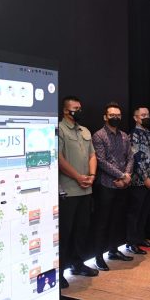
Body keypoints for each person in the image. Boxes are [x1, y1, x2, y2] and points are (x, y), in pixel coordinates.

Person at [58, 96, 99, 289]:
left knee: (82, 230)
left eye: (80, 107)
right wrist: (77, 176)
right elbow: (58, 158)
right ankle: (60, 271)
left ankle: (77, 263)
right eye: (76, 108)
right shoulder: (59, 130)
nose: (79, 111)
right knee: (65, 232)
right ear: (66, 110)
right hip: (68, 190)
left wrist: (91, 175)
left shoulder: (85, 131)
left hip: (86, 189)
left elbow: (92, 155)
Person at [92, 102, 135, 271]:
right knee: (103, 222)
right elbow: (101, 161)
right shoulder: (99, 136)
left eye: (118, 115)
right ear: (105, 117)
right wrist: (122, 176)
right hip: (106, 185)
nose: (115, 117)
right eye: (112, 115)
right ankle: (98, 257)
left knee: (117, 220)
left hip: (123, 185)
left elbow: (130, 157)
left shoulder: (124, 136)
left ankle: (113, 250)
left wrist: (127, 175)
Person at [126, 106, 150, 254]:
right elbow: (135, 158)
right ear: (136, 118)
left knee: (146, 211)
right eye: (142, 115)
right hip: (139, 181)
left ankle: (140, 238)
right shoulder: (133, 135)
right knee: (135, 212)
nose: (146, 117)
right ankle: (131, 242)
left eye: (147, 115)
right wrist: (145, 177)